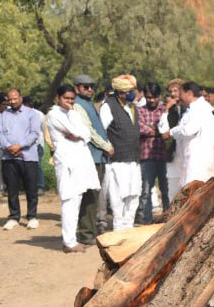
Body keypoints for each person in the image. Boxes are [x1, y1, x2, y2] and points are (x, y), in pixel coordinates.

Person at [46, 84, 101, 253]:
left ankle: (72, 239)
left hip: (80, 162)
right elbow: (74, 132)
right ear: (58, 98)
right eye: (66, 98)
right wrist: (77, 134)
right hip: (67, 162)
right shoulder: (54, 114)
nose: (69, 101)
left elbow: (85, 134)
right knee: (69, 201)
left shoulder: (75, 114)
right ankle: (69, 242)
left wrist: (78, 135)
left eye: (72, 98)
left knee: (77, 200)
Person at [71, 74, 113, 245]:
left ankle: (89, 230)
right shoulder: (78, 106)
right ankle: (86, 232)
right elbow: (89, 131)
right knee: (90, 195)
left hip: (98, 156)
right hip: (90, 156)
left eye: (92, 86)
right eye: (85, 86)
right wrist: (105, 145)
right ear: (76, 88)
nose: (90, 89)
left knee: (95, 195)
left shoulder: (88, 103)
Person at [100, 75, 144, 231]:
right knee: (118, 198)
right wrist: (107, 147)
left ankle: (128, 226)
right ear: (120, 92)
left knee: (134, 195)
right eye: (129, 91)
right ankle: (119, 228)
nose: (133, 94)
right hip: (117, 161)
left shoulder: (132, 107)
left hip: (133, 158)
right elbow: (101, 131)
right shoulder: (108, 106)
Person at [0, 88, 43, 230]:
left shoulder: (32, 114)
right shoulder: (3, 115)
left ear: (20, 98)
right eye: (10, 99)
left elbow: (34, 133)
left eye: (15, 98)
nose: (13, 101)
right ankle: (14, 216)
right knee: (12, 188)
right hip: (8, 157)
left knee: (31, 188)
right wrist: (9, 147)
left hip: (28, 157)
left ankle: (32, 216)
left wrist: (20, 146)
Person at [170, 81, 214, 186]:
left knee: (194, 193)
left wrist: (171, 132)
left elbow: (188, 130)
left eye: (181, 93)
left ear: (189, 93)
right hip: (200, 161)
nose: (179, 96)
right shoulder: (198, 107)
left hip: (197, 162)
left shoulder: (199, 109)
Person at [136, 82, 169, 223]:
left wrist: (156, 130)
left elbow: (169, 129)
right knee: (146, 190)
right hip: (146, 155)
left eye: (154, 97)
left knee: (166, 189)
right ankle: (146, 220)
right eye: (148, 97)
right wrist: (159, 131)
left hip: (164, 156)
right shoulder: (139, 110)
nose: (151, 100)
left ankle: (169, 218)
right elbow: (140, 129)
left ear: (159, 96)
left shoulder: (164, 109)